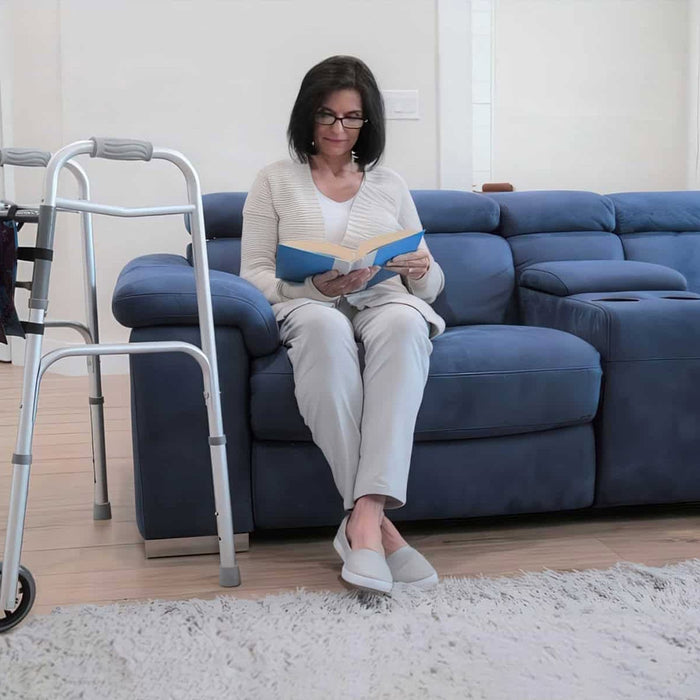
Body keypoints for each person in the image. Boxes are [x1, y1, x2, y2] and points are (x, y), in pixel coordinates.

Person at [241, 55, 446, 595]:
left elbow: (428, 277)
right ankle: (380, 530)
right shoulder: (273, 181)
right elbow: (254, 275)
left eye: (352, 118)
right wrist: (314, 289)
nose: (338, 130)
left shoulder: (389, 184)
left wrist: (423, 271)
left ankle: (363, 518)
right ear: (306, 117)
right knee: (327, 331)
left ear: (369, 121)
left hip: (382, 300)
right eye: (327, 116)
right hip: (311, 306)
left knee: (406, 327)